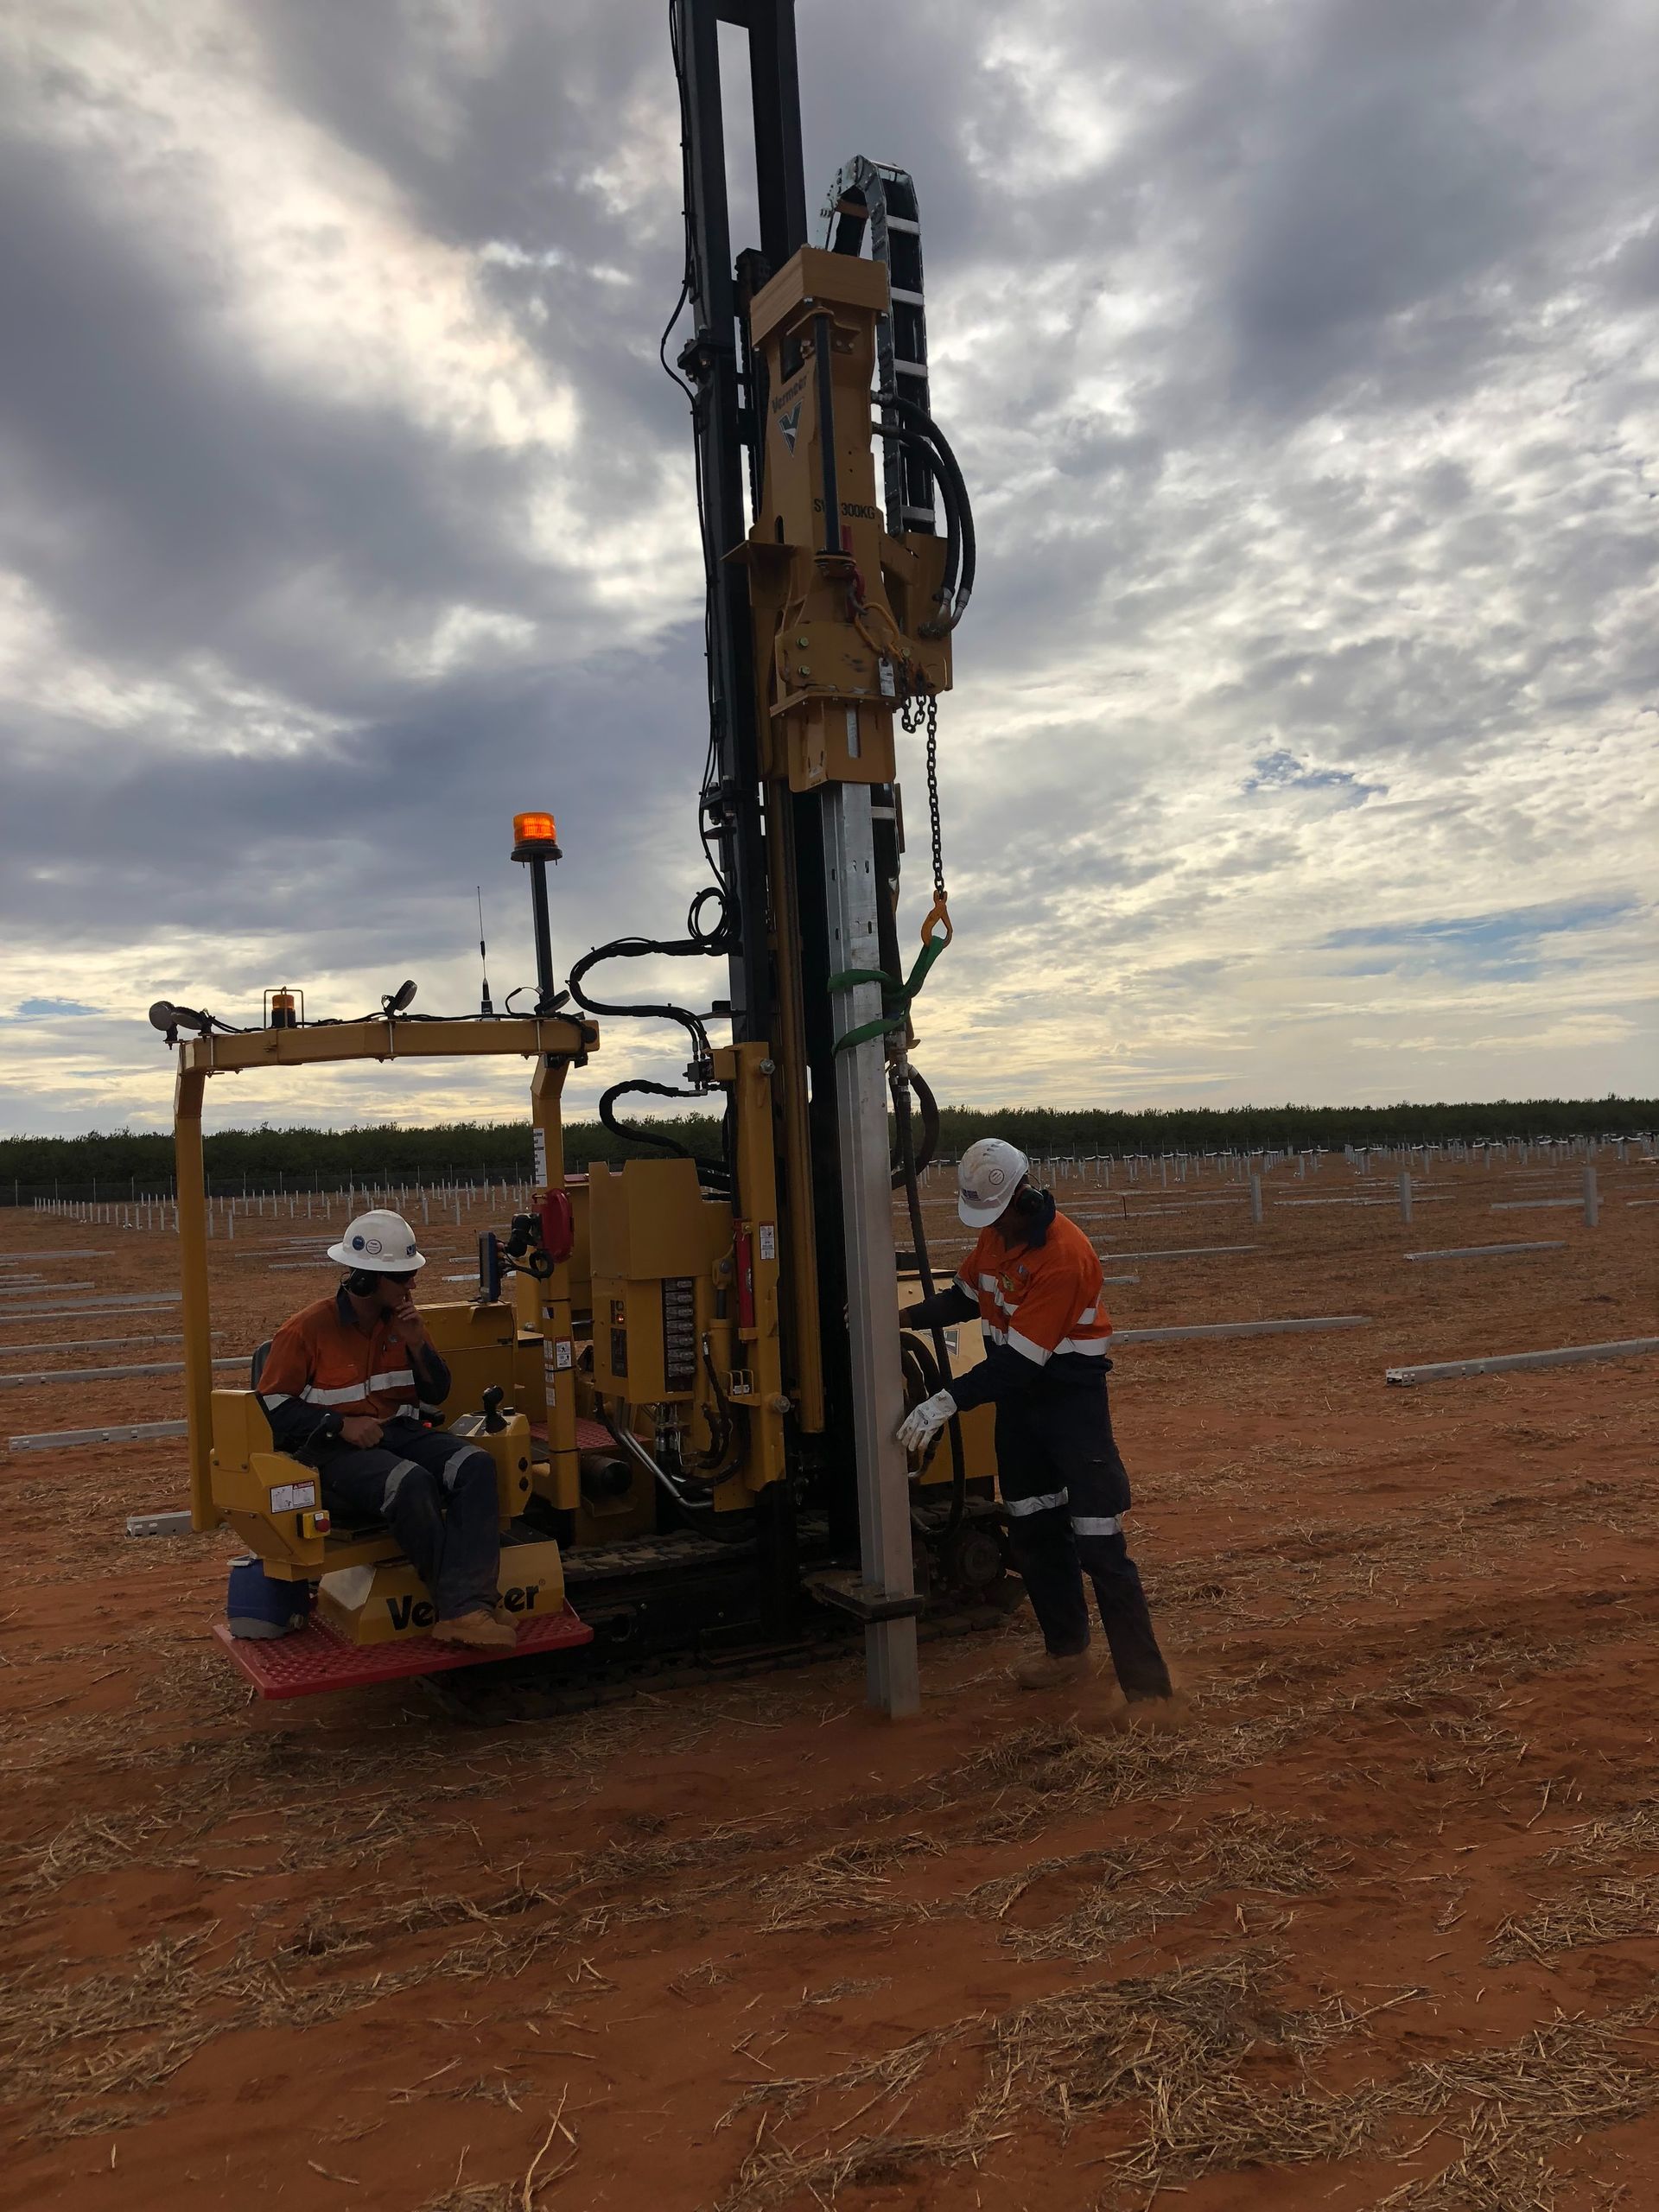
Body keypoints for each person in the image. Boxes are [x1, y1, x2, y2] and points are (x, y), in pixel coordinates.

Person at [895, 1138, 1173, 1704]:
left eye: (998, 1217)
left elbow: (1021, 1362)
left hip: (1070, 1405)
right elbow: (964, 1299)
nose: (992, 1229)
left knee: (1098, 1543)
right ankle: (1066, 1651)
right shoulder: (994, 1237)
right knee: (1033, 1528)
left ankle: (1149, 1693)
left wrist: (942, 1401)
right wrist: (896, 1316)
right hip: (1019, 1406)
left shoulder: (1064, 1256)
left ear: (1023, 1195)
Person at [256, 1208, 516, 1649]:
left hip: (398, 1433)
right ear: (364, 1280)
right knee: (409, 1482)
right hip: (332, 1452)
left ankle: (467, 1604)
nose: (412, 1285)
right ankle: (464, 1606)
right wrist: (341, 1424)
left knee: (475, 1466)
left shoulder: (405, 1323)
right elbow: (273, 1406)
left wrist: (417, 1344)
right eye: (401, 1278)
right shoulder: (305, 1331)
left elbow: (438, 1394)